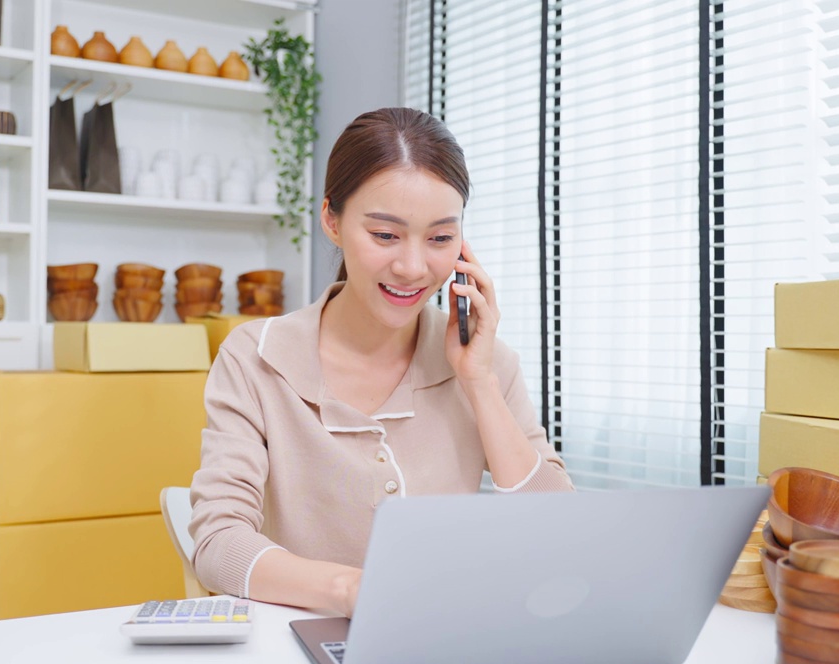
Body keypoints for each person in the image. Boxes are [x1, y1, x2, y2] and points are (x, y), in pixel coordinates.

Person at [188, 107, 572, 618]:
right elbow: (218, 544)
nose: (413, 268)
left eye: (440, 238)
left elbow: (557, 529)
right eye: (385, 235)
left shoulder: (483, 360)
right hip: (299, 654)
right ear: (332, 220)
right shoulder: (256, 357)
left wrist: (477, 382)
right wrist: (355, 592)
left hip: (448, 642)